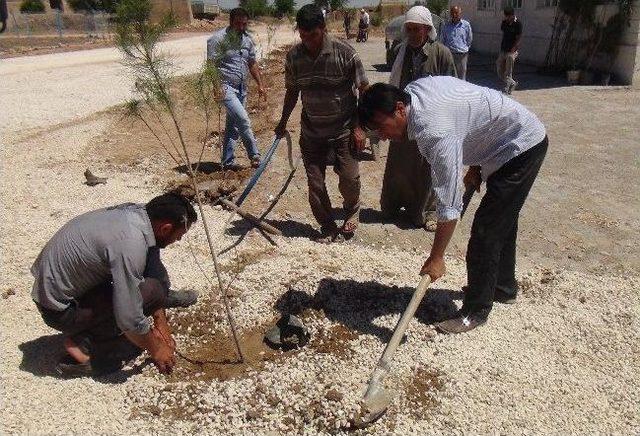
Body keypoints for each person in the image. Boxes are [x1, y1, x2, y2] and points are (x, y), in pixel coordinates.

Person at [358, 78, 548, 334]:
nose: (382, 136)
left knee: (486, 230)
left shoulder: (433, 132)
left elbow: (448, 203)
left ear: (400, 109)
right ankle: (503, 288)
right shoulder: (414, 92)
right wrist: (476, 165)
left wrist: (436, 258)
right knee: (502, 218)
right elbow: (467, 109)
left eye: (382, 127)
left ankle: (475, 311)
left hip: (521, 144)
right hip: (501, 136)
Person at [31, 193, 199, 377]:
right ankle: (85, 350)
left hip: (60, 292)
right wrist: (157, 348)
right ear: (165, 228)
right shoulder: (131, 244)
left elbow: (152, 268)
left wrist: (161, 324)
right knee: (135, 337)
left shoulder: (137, 215)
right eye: (180, 235)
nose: (179, 240)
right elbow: (130, 317)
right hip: (61, 311)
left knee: (154, 289)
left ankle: (88, 335)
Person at [274, 4, 369, 242]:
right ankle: (326, 225)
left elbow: (365, 91)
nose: (308, 42)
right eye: (303, 36)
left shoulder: (345, 53)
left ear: (323, 29)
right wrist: (282, 122)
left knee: (349, 179)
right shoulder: (294, 57)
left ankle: (352, 210)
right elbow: (292, 92)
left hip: (344, 130)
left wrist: (360, 127)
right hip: (312, 133)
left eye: (313, 36)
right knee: (315, 184)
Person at [384, 5, 457, 232]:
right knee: (401, 164)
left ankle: (428, 211)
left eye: (417, 29)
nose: (413, 34)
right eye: (409, 29)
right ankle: (396, 206)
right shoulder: (401, 51)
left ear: (427, 29)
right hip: (405, 119)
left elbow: (453, 88)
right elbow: (395, 84)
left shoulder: (442, 53)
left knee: (429, 167)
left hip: (432, 120)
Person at [207, 7, 265, 170]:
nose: (241, 27)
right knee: (244, 120)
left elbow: (252, 63)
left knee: (233, 125)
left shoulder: (247, 40)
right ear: (231, 22)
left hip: (242, 88)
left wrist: (260, 84)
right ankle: (255, 155)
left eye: (244, 24)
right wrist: (216, 87)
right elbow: (211, 65)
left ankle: (227, 162)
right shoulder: (217, 40)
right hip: (226, 88)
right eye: (238, 24)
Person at [440, 5, 473, 81]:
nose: (454, 15)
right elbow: (442, 39)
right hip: (449, 55)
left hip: (462, 55)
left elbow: (469, 39)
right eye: (452, 13)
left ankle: (461, 92)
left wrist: (465, 48)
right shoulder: (446, 25)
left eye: (456, 13)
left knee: (461, 78)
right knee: (449, 77)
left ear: (460, 13)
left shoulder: (466, 25)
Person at [497, 6, 522, 94]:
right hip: (503, 49)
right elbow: (504, 32)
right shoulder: (504, 22)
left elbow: (518, 38)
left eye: (508, 16)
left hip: (512, 50)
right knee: (499, 69)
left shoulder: (518, 23)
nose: (506, 18)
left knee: (508, 71)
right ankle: (512, 83)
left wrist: (514, 48)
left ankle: (507, 89)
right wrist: (507, 22)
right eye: (505, 16)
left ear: (512, 15)